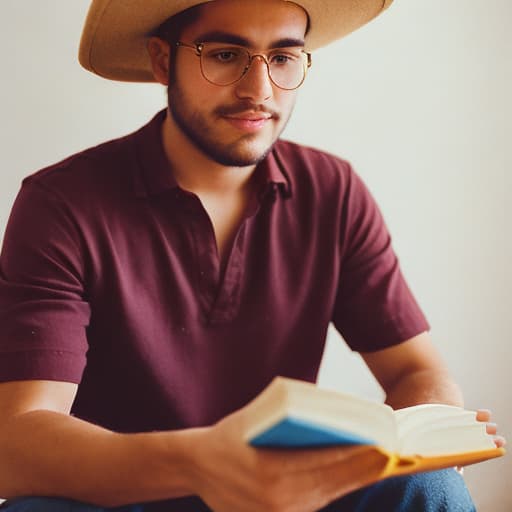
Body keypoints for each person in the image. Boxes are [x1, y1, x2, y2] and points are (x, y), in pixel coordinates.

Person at [0, 0, 505, 511]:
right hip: (123, 494)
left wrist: (423, 434)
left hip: (286, 498)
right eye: (224, 54)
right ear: (161, 60)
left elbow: (417, 371)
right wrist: (203, 461)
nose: (259, 90)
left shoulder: (332, 191)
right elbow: (17, 444)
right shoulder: (62, 204)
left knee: (432, 488)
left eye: (283, 58)